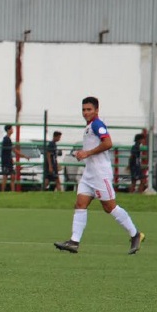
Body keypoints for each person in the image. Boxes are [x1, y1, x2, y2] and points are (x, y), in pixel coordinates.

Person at [54, 97, 145, 254]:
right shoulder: (89, 127)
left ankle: (135, 234)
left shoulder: (97, 124)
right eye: (83, 109)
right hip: (89, 174)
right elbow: (91, 149)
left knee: (109, 207)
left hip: (100, 174)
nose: (86, 112)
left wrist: (87, 153)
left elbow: (108, 143)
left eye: (89, 109)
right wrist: (81, 154)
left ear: (96, 110)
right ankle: (74, 242)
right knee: (80, 204)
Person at [0, 124, 30, 192]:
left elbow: (9, 151)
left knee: (12, 176)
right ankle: (2, 191)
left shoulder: (7, 139)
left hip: (8, 160)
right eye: (11, 129)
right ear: (8, 130)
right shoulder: (6, 139)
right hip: (6, 161)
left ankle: (12, 191)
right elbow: (14, 150)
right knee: (5, 176)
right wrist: (24, 156)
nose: (12, 130)